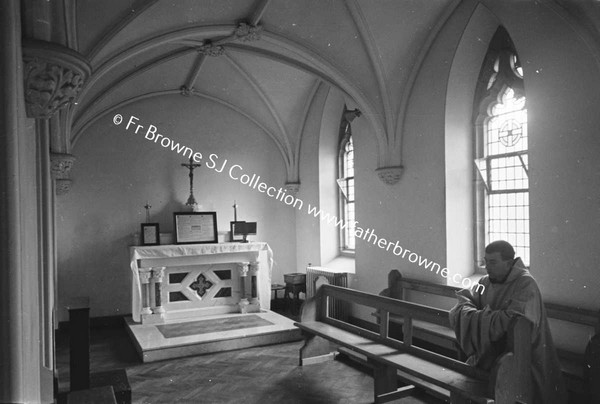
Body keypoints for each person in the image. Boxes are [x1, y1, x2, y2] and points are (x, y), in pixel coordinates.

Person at [449, 240, 567, 404]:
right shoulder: (485, 282)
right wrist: (476, 314)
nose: (487, 267)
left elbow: (513, 321)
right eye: (485, 261)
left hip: (525, 357)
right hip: (492, 352)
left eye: (493, 262)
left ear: (509, 263)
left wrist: (477, 317)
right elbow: (465, 302)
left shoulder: (526, 284)